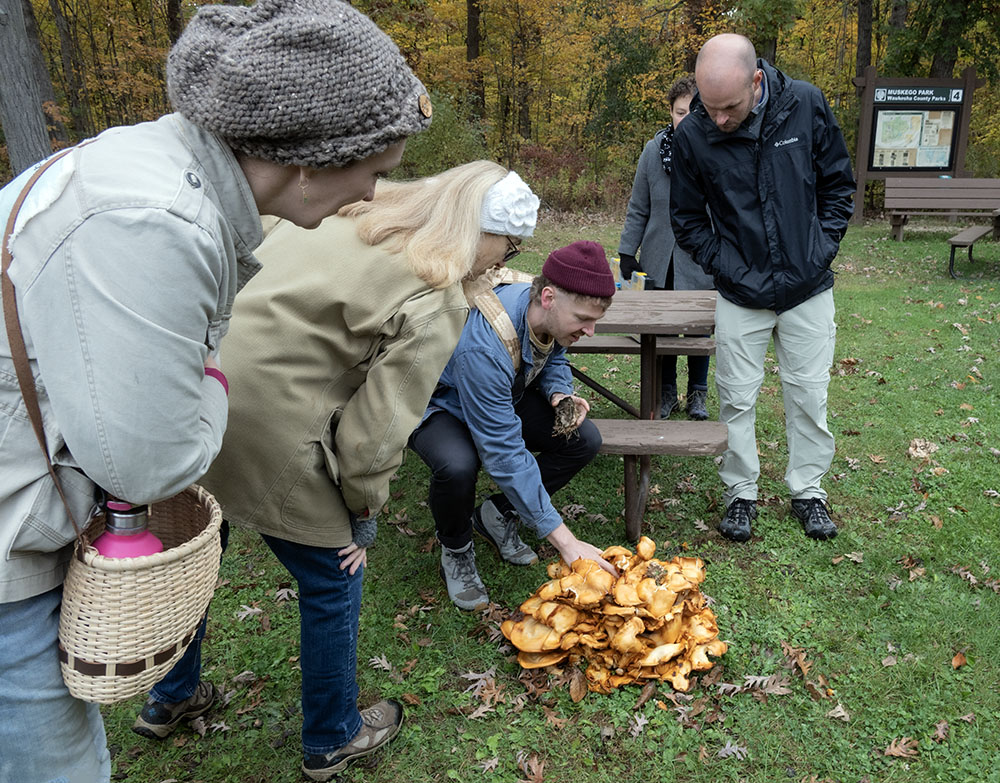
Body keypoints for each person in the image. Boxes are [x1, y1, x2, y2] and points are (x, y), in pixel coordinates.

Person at [0, 1, 432, 780]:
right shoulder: (157, 222)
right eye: (373, 170)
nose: (370, 194)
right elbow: (153, 467)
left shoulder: (150, 169)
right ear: (309, 158)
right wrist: (214, 382)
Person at [138, 162, 540, 780]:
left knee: (195, 558)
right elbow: (375, 434)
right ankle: (331, 736)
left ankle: (170, 696)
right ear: (479, 233)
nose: (504, 260)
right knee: (333, 581)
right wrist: (362, 509)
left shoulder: (340, 216)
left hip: (200, 397)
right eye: (510, 246)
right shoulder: (436, 294)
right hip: (274, 430)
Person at [669, 33, 855, 543]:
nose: (719, 120)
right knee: (736, 399)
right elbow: (686, 220)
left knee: (809, 395)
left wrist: (820, 249)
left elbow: (839, 184)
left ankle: (809, 490)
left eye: (728, 107)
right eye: (709, 108)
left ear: (757, 81)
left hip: (808, 286)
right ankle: (740, 492)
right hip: (740, 291)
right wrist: (726, 267)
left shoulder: (806, 104)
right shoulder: (693, 135)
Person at [409, 240, 619, 611]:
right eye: (583, 320)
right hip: (441, 403)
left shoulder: (543, 311)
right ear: (550, 297)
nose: (590, 331)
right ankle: (456, 549)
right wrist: (567, 544)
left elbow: (552, 352)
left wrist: (558, 394)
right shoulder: (486, 346)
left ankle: (497, 513)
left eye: (594, 321)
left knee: (582, 439)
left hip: (499, 395)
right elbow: (503, 453)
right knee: (458, 464)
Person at [618, 75, 715, 421]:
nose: (685, 118)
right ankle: (667, 391)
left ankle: (699, 394)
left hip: (701, 260)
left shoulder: (717, 152)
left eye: (693, 111)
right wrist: (628, 252)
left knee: (700, 326)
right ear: (670, 113)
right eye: (679, 112)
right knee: (662, 328)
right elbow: (638, 207)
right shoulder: (652, 151)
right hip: (659, 257)